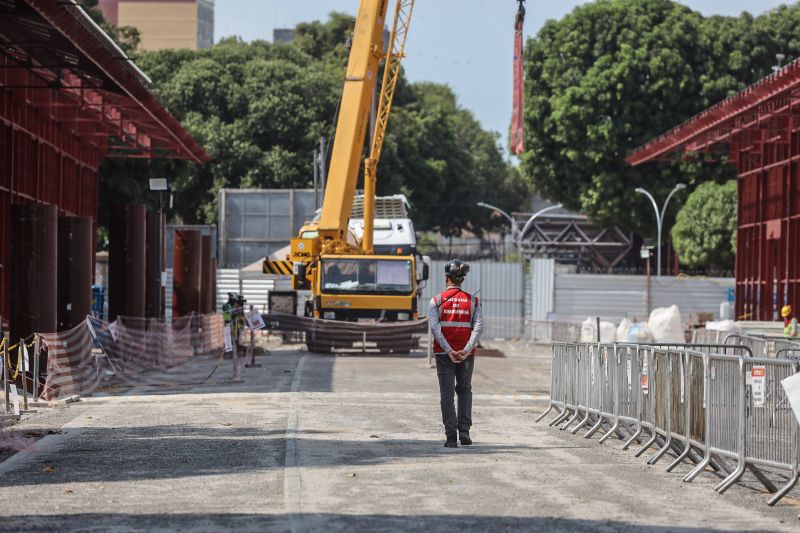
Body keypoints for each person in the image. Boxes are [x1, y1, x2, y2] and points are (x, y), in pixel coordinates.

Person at [428, 259, 484, 448]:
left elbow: (435, 329)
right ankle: (465, 432)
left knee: (447, 394)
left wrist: (449, 350)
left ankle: (451, 436)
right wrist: (466, 350)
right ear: (462, 280)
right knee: (465, 390)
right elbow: (478, 328)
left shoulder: (436, 301)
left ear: (446, 279)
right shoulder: (473, 302)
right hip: (466, 355)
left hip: (444, 355)